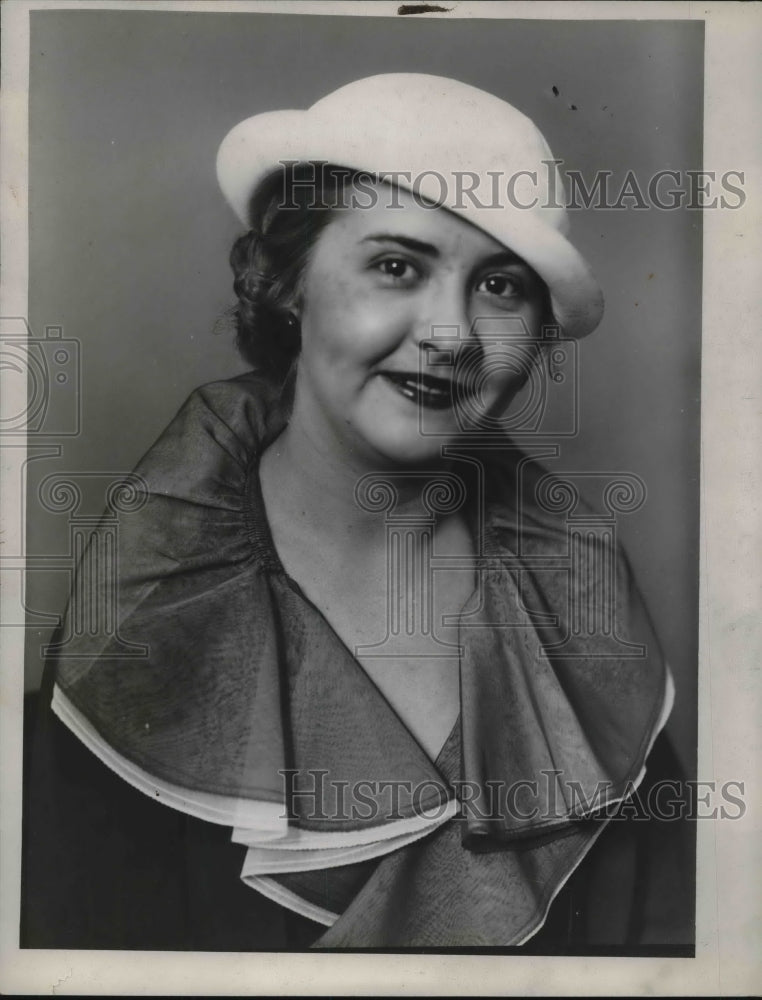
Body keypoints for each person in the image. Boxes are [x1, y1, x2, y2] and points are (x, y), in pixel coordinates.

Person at [22, 73, 694, 950]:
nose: (451, 333)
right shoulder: (148, 621)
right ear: (289, 283)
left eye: (500, 287)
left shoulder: (580, 624)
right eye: (395, 266)